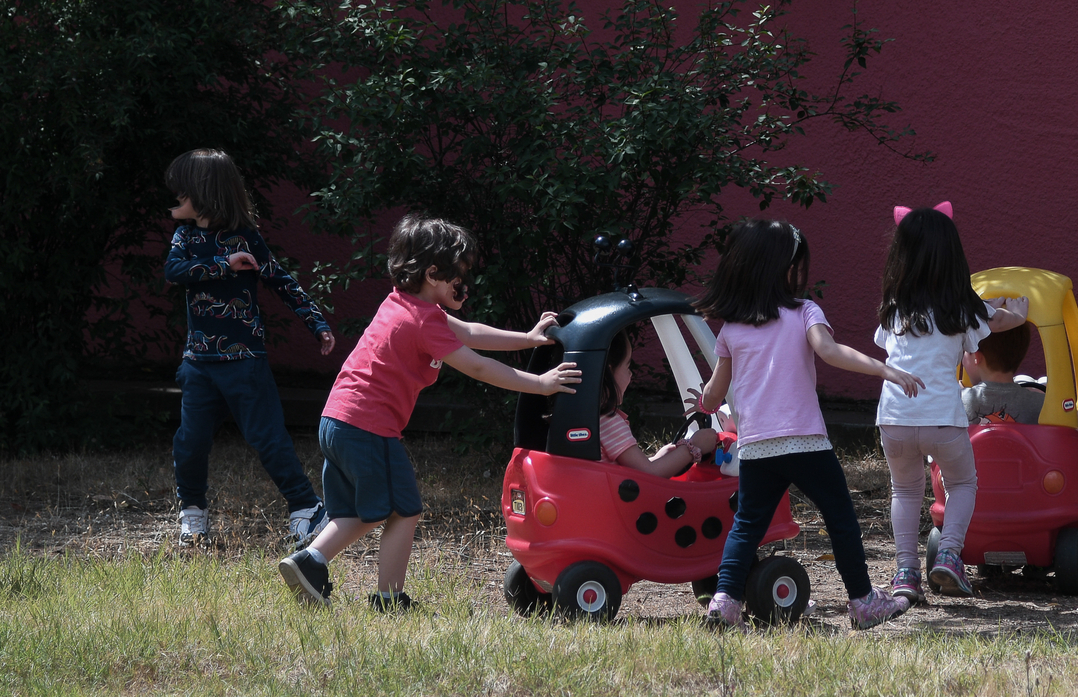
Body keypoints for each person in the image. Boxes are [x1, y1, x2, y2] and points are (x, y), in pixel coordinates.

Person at [278, 214, 581, 612]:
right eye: (460, 276)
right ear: (433, 273)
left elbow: (470, 332)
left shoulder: (404, 305)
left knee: (359, 512)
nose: (466, 286)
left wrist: (527, 339)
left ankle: (309, 561)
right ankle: (389, 600)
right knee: (404, 509)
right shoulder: (423, 321)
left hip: (337, 421)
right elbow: (476, 365)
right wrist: (539, 383)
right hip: (369, 426)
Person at [688, 218, 921, 632]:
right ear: (785, 269)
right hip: (805, 441)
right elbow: (830, 352)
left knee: (746, 526)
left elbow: (712, 394)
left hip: (757, 446)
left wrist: (703, 401)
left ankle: (724, 604)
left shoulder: (732, 327)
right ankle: (863, 601)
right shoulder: (804, 311)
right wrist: (885, 370)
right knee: (840, 516)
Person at [164, 148, 336, 550]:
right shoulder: (185, 236)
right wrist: (224, 264)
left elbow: (282, 282)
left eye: (181, 190)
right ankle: (193, 515)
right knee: (190, 442)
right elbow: (174, 272)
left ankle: (307, 509)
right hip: (198, 363)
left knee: (267, 438)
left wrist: (318, 323)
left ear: (203, 193)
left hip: (244, 362)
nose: (174, 195)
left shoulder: (247, 238)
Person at [874, 203, 1028, 602]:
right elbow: (998, 321)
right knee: (962, 483)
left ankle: (906, 572)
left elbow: (886, 347)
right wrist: (1019, 312)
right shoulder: (961, 310)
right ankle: (949, 554)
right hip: (942, 418)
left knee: (904, 491)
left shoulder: (894, 310)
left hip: (894, 418)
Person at [597, 334, 724, 476]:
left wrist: (657, 458)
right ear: (608, 372)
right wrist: (694, 447)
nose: (631, 374)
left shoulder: (592, 419)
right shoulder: (608, 422)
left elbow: (633, 469)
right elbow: (649, 474)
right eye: (627, 366)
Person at [961, 322, 1045, 426]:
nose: (962, 361)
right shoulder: (1042, 405)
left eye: (965, 350)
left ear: (976, 357)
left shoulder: (958, 402)